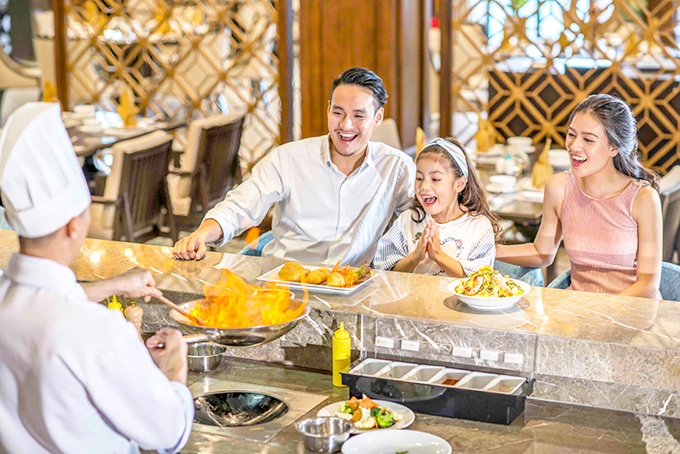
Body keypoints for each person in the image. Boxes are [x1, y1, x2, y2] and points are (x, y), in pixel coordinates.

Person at [0, 102, 194, 453]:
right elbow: (170, 432)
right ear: (75, 226)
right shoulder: (99, 332)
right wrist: (174, 366)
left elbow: (44, 303)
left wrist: (117, 284)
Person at [173, 67, 416, 265]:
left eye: (359, 116)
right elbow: (240, 206)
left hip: (352, 289)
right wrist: (200, 235)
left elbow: (426, 215)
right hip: (284, 286)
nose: (346, 125)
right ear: (328, 109)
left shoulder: (396, 168)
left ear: (378, 118)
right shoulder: (288, 159)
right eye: (338, 112)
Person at [496, 94, 662, 298]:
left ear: (614, 147)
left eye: (588, 139)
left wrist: (596, 316)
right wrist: (487, 250)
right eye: (571, 135)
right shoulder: (558, 187)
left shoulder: (643, 199)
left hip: (630, 315)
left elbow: (647, 286)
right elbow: (542, 253)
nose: (574, 146)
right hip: (577, 314)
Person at [374, 138, 500, 277]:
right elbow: (385, 271)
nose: (424, 186)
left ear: (459, 184)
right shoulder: (408, 220)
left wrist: (438, 255)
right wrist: (415, 256)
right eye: (419, 178)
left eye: (435, 179)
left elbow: (480, 279)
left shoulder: (478, 227)